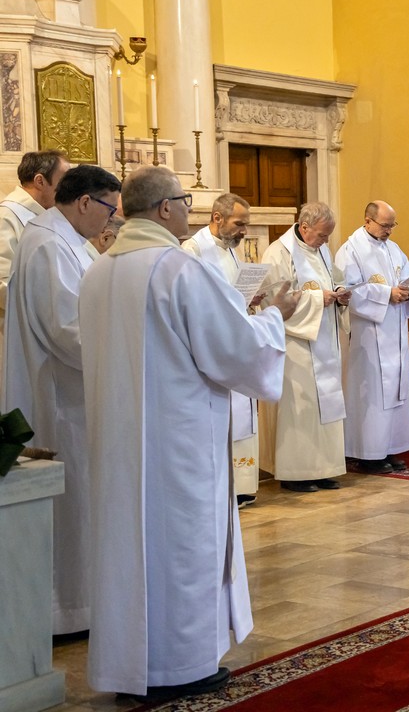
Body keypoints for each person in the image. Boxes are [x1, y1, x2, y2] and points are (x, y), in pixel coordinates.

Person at [80, 165, 297, 702]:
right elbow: (234, 351)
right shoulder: (176, 268)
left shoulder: (100, 269)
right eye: (183, 199)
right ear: (163, 209)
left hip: (120, 443)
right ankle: (178, 666)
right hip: (177, 442)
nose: (189, 209)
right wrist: (275, 316)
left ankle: (129, 666)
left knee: (130, 549)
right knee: (181, 547)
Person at [2, 164, 120, 636]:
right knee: (71, 500)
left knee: (82, 499)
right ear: (85, 202)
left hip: (74, 390)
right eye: (108, 210)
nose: (110, 222)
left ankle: (81, 603)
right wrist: (127, 350)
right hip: (61, 395)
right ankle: (67, 609)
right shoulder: (49, 243)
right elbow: (68, 329)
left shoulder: (63, 237)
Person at [260, 201, 349, 492]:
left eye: (327, 237)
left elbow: (335, 278)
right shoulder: (277, 253)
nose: (325, 242)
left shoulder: (321, 249)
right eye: (322, 235)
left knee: (325, 406)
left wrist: (340, 294)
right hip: (296, 342)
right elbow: (274, 299)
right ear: (304, 226)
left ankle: (323, 467)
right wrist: (316, 299)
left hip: (325, 336)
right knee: (301, 408)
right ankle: (296, 473)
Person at [182, 192, 265, 505]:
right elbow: (191, 299)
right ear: (217, 218)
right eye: (239, 223)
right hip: (213, 348)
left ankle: (242, 485)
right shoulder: (193, 250)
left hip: (236, 343)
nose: (244, 231)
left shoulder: (231, 249)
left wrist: (250, 298)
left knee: (242, 415)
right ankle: (222, 487)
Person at [334, 200, 409, 472]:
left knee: (396, 390)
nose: (389, 231)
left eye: (392, 225)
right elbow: (348, 291)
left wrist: (407, 292)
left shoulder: (393, 249)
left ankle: (391, 447)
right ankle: (369, 453)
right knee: (372, 395)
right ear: (367, 220)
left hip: (394, 331)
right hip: (368, 336)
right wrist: (386, 295)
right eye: (385, 225)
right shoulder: (350, 250)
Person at [0, 149, 68, 382]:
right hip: (17, 333)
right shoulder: (7, 216)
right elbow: (2, 282)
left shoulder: (45, 216)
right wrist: (48, 308)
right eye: (63, 180)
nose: (67, 189)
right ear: (40, 181)